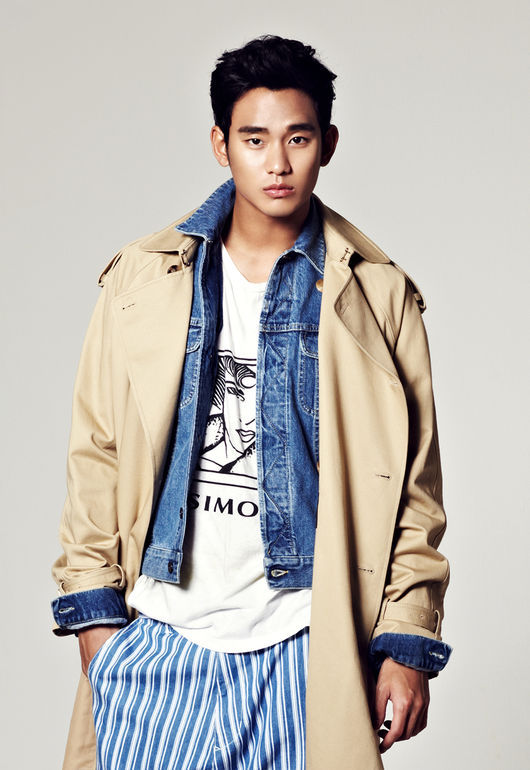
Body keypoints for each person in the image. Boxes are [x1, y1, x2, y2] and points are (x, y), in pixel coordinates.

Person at [51, 34, 451, 770]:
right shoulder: (144, 278)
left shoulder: (378, 297)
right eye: (254, 139)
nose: (277, 163)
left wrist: (406, 644)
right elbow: (97, 454)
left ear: (328, 144)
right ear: (221, 145)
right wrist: (96, 624)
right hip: (158, 639)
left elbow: (415, 492)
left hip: (306, 646)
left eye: (298, 138)